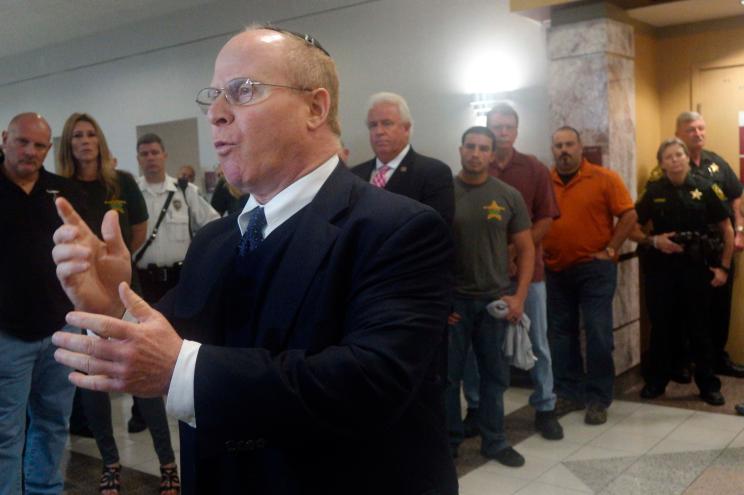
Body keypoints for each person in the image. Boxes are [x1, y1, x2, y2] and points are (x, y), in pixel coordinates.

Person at [51, 25, 457, 494]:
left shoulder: (398, 229)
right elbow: (171, 338)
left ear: (315, 107)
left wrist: (181, 372)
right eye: (213, 98)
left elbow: (368, 385)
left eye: (242, 91)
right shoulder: (216, 240)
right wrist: (113, 305)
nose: (216, 115)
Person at [57, 113, 180, 495]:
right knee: (95, 385)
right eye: (77, 135)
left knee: (144, 379)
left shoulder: (123, 182)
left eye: (91, 133)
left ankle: (167, 464)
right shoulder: (60, 189)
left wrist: (116, 263)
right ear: (68, 144)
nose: (85, 141)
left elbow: (139, 231)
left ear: (101, 140)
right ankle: (110, 463)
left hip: (127, 290)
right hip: (83, 297)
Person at [0, 113, 84, 494]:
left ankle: (45, 490)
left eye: (39, 145)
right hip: (6, 334)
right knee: (6, 433)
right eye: (22, 142)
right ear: (5, 139)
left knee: (53, 423)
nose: (30, 152)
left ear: (49, 149)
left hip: (59, 330)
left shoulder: (61, 191)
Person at [445, 126, 534, 466]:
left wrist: (520, 297)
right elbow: (427, 251)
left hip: (494, 303)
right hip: (453, 304)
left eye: (483, 148)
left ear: (493, 154)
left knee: (495, 377)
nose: (476, 153)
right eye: (470, 146)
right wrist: (440, 302)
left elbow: (526, 250)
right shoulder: (443, 194)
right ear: (460, 149)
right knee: (450, 378)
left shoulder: (508, 195)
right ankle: (450, 440)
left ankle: (495, 441)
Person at [542, 126, 636, 425]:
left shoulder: (604, 178)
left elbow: (629, 215)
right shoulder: (544, 180)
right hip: (555, 269)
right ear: (552, 150)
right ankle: (568, 393)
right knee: (561, 335)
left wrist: (610, 250)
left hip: (595, 269)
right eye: (558, 146)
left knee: (597, 332)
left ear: (581, 148)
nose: (564, 150)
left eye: (569, 144)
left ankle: (598, 398)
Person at [633, 137, 732, 405]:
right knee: (662, 328)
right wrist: (654, 241)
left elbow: (727, 229)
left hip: (696, 268)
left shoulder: (706, 187)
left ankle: (708, 385)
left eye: (679, 154)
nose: (675, 159)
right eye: (669, 156)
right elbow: (632, 226)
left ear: (687, 157)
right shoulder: (653, 191)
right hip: (661, 270)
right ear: (662, 163)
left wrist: (723, 267)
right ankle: (656, 382)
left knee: (700, 329)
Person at [485, 102, 563, 440]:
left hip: (532, 274)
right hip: (487, 274)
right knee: (488, 345)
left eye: (508, 127)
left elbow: (546, 218)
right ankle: (486, 410)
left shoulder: (533, 168)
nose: (502, 132)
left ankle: (545, 406)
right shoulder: (477, 167)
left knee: (539, 342)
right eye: (496, 126)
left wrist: (516, 250)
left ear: (516, 131)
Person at [674, 111, 744, 378]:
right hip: (688, 251)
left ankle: (718, 358)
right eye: (691, 129)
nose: (698, 133)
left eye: (701, 128)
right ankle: (686, 361)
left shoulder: (716, 163)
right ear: (679, 133)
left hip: (720, 246)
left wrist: (738, 229)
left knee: (720, 307)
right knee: (686, 307)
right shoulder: (673, 163)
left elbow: (736, 195)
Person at [134, 133, 219, 303]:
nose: (150, 157)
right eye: (144, 154)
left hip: (179, 280)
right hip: (142, 283)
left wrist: (201, 258)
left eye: (155, 152)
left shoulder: (185, 191)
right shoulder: (132, 193)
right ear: (138, 159)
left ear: (164, 156)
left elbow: (213, 225)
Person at [351, 92, 454, 225]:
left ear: (406, 128)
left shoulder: (433, 173)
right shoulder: (355, 175)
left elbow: (435, 230)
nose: (379, 131)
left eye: (387, 123)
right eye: (373, 125)